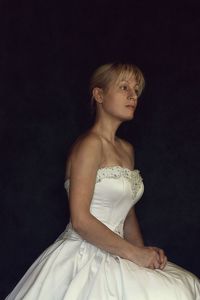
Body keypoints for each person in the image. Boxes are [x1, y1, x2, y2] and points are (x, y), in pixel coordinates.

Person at [5, 62, 200, 299]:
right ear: (99, 94)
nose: (133, 95)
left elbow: (126, 213)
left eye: (136, 90)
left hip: (119, 252)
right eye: (124, 87)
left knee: (184, 285)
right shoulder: (89, 145)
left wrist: (142, 254)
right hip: (84, 252)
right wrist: (135, 255)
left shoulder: (127, 149)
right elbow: (80, 220)